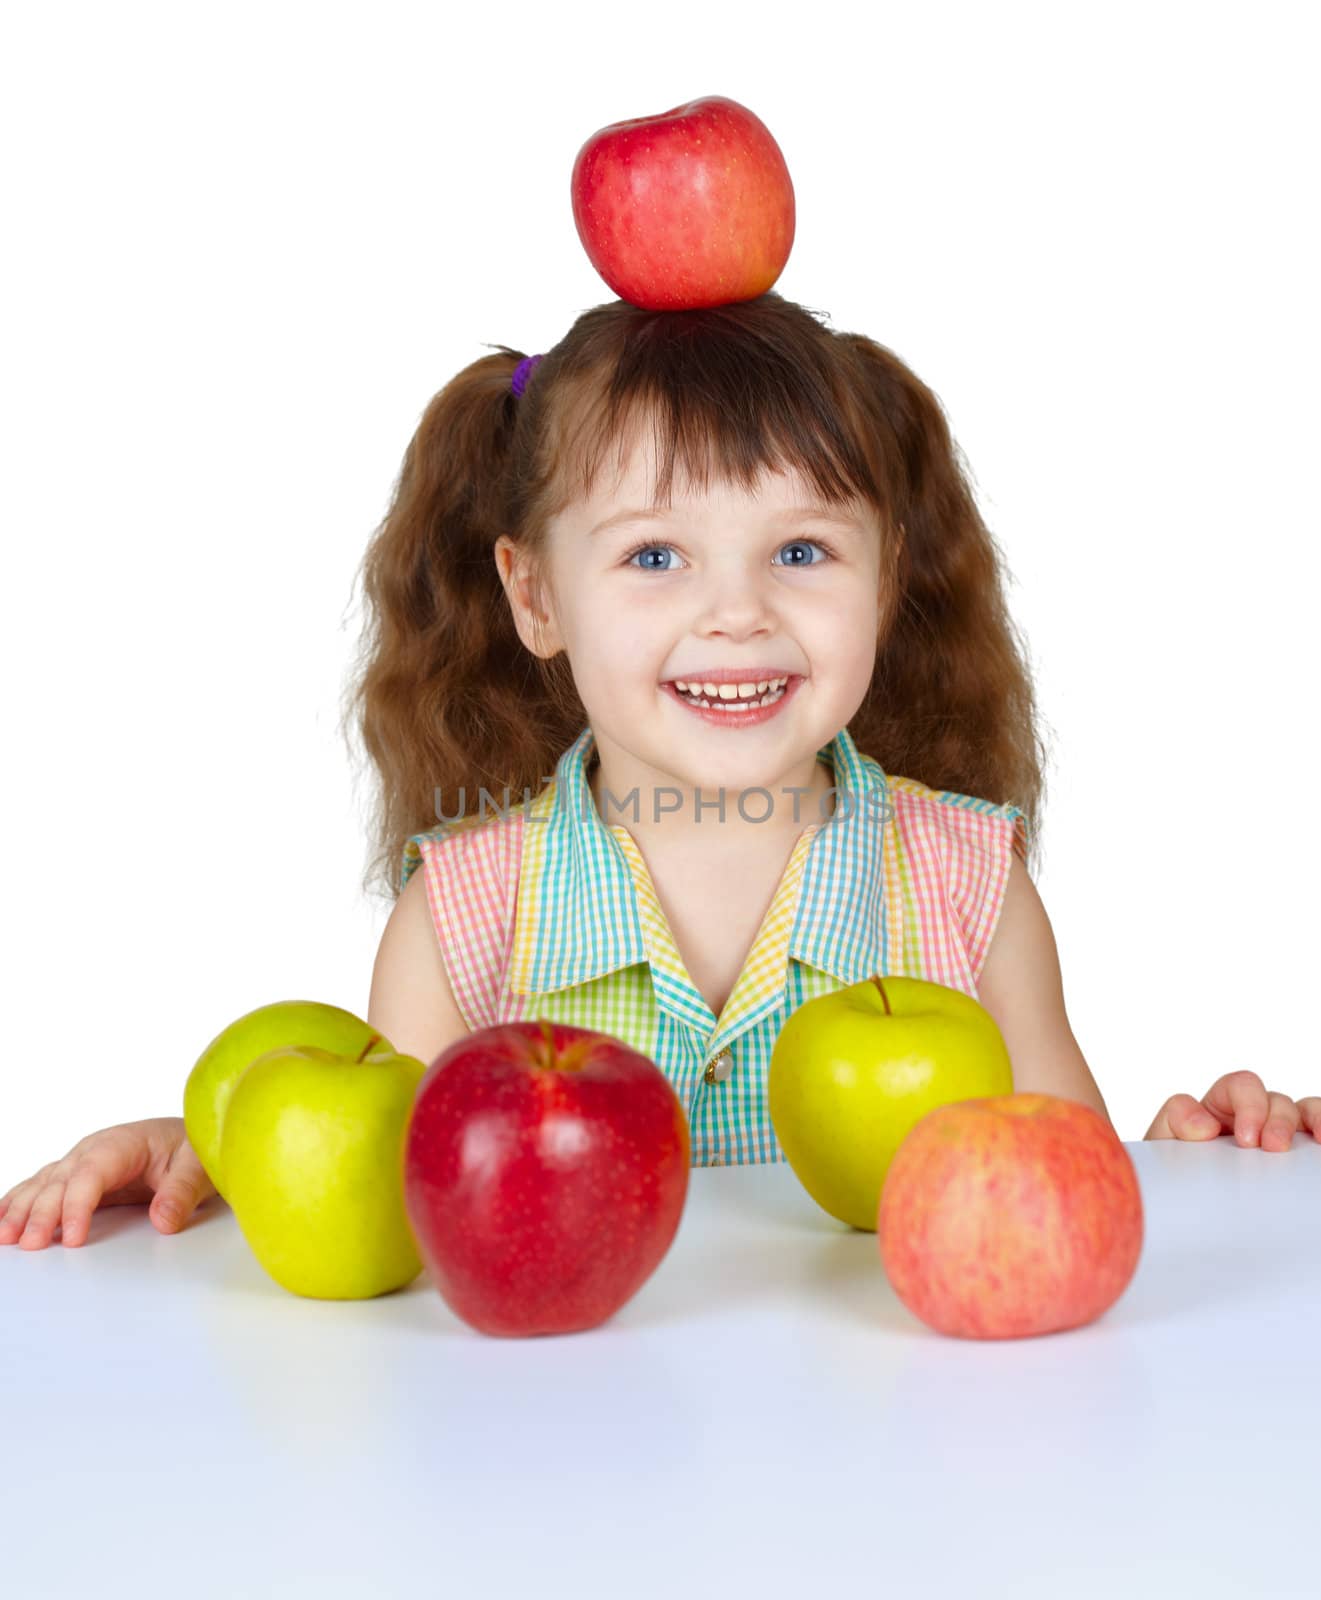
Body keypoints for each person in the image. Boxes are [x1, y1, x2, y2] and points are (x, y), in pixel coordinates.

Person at [4, 292, 1318, 1250]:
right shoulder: (467, 917)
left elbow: (1068, 1201)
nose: (735, 612)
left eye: (799, 551)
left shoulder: (965, 888)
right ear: (533, 595)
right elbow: (385, 1212)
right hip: (571, 1473)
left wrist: (1203, 1156)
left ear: (887, 573)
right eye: (652, 557)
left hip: (898, 1472)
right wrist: (225, 1156)